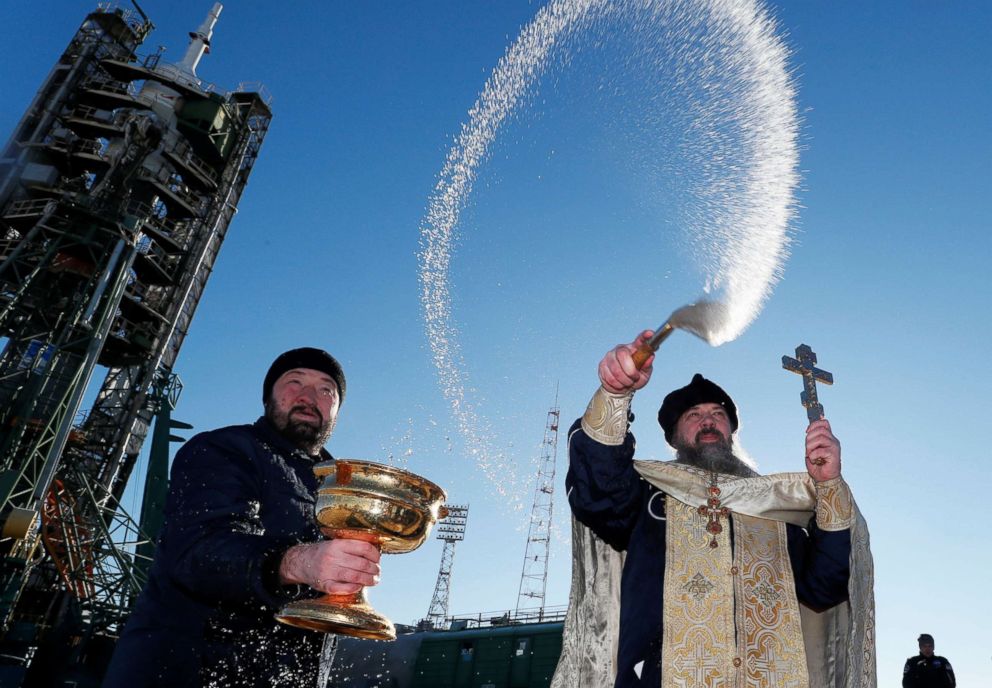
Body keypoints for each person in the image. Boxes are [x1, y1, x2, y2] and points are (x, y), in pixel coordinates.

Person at [551, 331, 876, 688]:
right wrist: (615, 395)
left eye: (718, 414)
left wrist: (828, 485)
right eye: (693, 415)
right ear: (673, 437)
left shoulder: (774, 508)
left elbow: (825, 588)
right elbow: (598, 492)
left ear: (731, 431)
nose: (708, 421)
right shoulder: (648, 496)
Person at [104, 347, 381, 687]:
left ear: (336, 409)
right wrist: (297, 562)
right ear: (268, 397)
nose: (309, 396)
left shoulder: (337, 489)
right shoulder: (223, 450)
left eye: (327, 390)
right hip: (183, 670)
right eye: (294, 382)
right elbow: (199, 551)